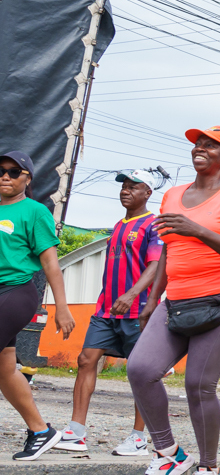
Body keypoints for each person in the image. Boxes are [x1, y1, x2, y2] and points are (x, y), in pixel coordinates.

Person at [128, 128, 220, 475]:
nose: (200, 148)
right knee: (140, 369)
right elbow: (168, 250)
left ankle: (209, 472)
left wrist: (197, 229)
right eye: (198, 143)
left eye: (211, 144)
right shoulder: (172, 195)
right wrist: (153, 301)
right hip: (176, 300)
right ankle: (168, 455)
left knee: (198, 385)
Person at [57, 169, 160, 456]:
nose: (125, 191)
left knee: (141, 372)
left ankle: (139, 438)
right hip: (106, 309)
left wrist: (131, 295)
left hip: (138, 311)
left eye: (133, 187)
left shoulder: (154, 225)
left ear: (147, 193)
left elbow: (155, 266)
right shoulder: (117, 226)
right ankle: (75, 431)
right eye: (123, 187)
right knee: (85, 360)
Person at [0, 151, 74, 460]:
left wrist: (63, 307)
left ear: (27, 179)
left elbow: (50, 264)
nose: (5, 176)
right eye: (1, 170)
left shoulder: (34, 212)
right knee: (5, 370)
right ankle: (41, 431)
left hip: (16, 292)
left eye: (13, 172)